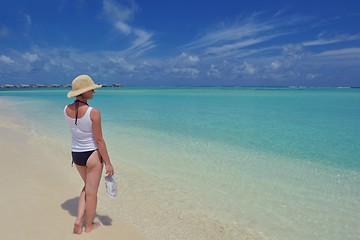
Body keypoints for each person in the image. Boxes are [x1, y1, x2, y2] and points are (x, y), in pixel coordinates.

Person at [64, 74, 114, 234]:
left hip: (76, 154)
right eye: (91, 89)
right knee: (92, 193)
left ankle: (78, 221)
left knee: (87, 187)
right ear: (83, 92)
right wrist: (108, 163)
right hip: (92, 154)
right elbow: (99, 140)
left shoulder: (66, 109)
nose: (94, 91)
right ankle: (88, 225)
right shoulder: (94, 112)